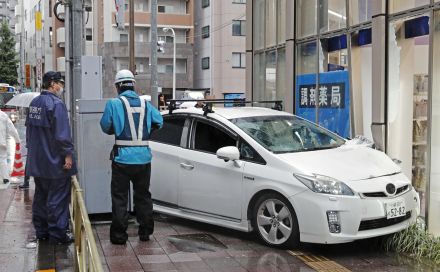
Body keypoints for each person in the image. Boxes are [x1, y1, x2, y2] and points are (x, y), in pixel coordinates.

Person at [100, 69, 163, 245]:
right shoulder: (146, 104)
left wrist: (116, 129)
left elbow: (105, 126)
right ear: (133, 85)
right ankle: (145, 232)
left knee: (120, 198)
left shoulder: (114, 103)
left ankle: (119, 236)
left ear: (118, 86)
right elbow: (159, 121)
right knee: (143, 196)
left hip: (122, 159)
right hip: (144, 158)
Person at [25, 71, 77, 244]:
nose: (61, 87)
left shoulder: (34, 103)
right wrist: (68, 155)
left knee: (41, 197)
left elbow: (29, 133)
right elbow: (62, 136)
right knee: (57, 199)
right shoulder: (56, 104)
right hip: (55, 162)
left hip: (37, 162)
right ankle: (58, 234)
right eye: (60, 83)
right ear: (52, 84)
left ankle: (42, 231)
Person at [0, 109, 20, 184]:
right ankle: (5, 178)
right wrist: (17, 140)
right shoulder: (3, 115)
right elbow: (12, 129)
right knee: (2, 159)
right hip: (1, 142)